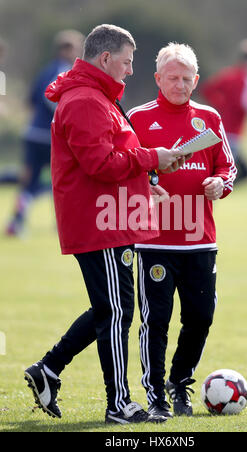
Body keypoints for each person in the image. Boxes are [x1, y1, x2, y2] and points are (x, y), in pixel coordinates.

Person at [24, 24, 185, 425]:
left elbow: (114, 157)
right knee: (116, 312)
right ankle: (119, 404)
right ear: (106, 58)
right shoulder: (85, 100)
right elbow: (99, 164)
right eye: (128, 62)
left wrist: (146, 185)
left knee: (110, 308)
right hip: (101, 224)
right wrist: (152, 160)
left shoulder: (98, 97)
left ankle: (48, 368)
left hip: (112, 219)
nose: (131, 71)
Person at [126, 42, 237, 417]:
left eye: (186, 78)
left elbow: (227, 167)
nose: (180, 84)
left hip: (199, 240)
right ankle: (156, 395)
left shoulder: (209, 117)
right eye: (172, 77)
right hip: (153, 239)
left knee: (201, 316)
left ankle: (180, 383)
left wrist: (220, 184)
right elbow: (125, 167)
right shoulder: (138, 118)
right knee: (155, 320)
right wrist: (148, 181)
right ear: (158, 78)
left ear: (196, 80)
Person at [4, 29, 84, 235]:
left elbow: (30, 101)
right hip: (50, 136)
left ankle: (17, 222)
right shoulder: (63, 70)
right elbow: (49, 97)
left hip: (33, 133)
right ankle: (63, 224)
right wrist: (66, 117)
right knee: (63, 180)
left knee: (30, 181)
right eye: (76, 49)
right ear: (66, 50)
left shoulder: (44, 70)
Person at [199, 39, 247, 184]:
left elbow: (206, 90)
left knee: (216, 171)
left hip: (216, 128)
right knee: (223, 174)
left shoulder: (228, 74)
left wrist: (218, 107)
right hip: (232, 132)